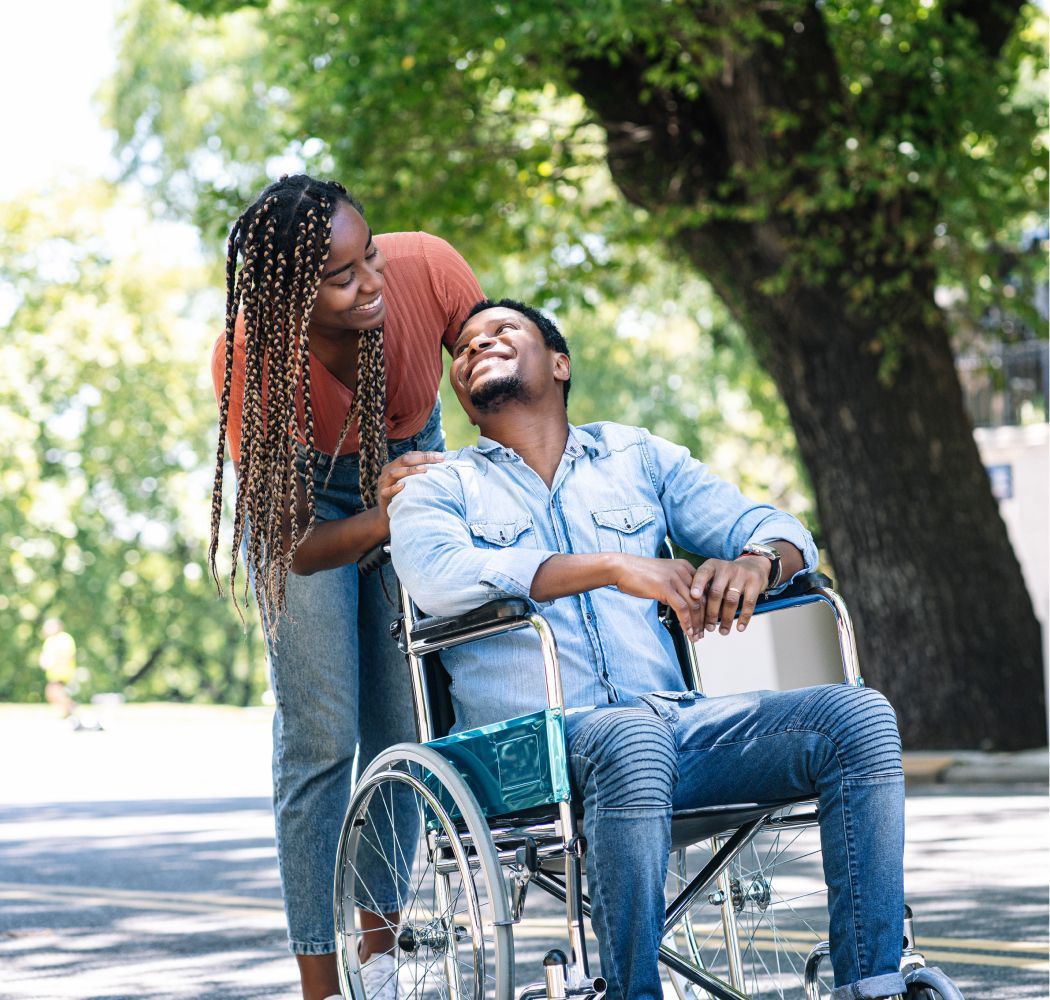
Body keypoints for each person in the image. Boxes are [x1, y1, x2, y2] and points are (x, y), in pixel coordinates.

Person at [388, 299, 909, 1000]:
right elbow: (438, 577)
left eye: (504, 331)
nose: (479, 344)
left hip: (669, 728)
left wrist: (758, 562)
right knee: (630, 739)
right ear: (462, 395)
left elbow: (774, 526)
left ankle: (873, 985)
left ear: (560, 363)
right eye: (466, 347)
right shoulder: (437, 487)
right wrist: (609, 566)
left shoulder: (637, 456)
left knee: (859, 719)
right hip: (520, 750)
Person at [208, 174, 482, 1000]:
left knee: (403, 727)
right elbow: (295, 548)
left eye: (369, 257)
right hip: (308, 508)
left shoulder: (427, 269)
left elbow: (508, 380)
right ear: (290, 297)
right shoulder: (250, 361)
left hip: (412, 471)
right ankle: (320, 984)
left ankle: (381, 956)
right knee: (323, 732)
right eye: (342, 275)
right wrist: (382, 518)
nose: (372, 283)